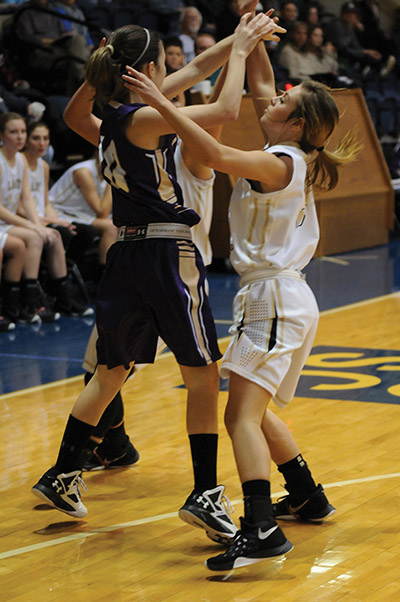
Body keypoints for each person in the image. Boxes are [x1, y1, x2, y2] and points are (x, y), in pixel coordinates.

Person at [31, 16, 285, 549]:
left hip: (124, 253)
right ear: (146, 71)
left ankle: (62, 473)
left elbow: (187, 69)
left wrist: (236, 41)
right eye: (161, 68)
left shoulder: (102, 124)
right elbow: (224, 110)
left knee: (111, 369)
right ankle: (205, 492)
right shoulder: (145, 122)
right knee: (202, 377)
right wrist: (239, 52)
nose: (173, 73)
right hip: (167, 253)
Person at [125, 6, 361, 571]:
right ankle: (305, 492)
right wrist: (250, 30)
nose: (274, 97)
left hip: (275, 298)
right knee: (250, 405)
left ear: (296, 124)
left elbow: (213, 154)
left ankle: (260, 528)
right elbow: (258, 82)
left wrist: (161, 105)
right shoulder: (288, 148)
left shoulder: (277, 161)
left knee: (239, 417)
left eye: (284, 100)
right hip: (279, 298)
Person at [22, 120, 94, 316]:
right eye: (36, 138)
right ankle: (59, 292)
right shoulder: (20, 163)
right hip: (26, 219)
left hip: (41, 217)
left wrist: (60, 220)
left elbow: (45, 203)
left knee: (85, 231)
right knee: (62, 233)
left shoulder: (44, 166)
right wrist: (51, 223)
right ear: (27, 140)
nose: (41, 143)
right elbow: (19, 206)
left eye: (45, 138)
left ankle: (63, 277)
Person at [0, 112, 64, 323]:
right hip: (3, 220)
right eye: (13, 132)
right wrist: (31, 225)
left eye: (22, 132)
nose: (20, 136)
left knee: (38, 236)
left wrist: (38, 226)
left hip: (7, 223)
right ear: (2, 135)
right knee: (24, 241)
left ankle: (26, 302)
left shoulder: (19, 159)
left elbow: (26, 198)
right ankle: (16, 304)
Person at [48, 155, 117, 270]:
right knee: (110, 226)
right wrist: (112, 179)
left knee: (123, 223)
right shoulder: (84, 172)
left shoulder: (106, 171)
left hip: (81, 212)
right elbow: (102, 212)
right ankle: (104, 273)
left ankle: (118, 269)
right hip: (59, 211)